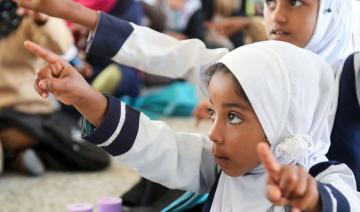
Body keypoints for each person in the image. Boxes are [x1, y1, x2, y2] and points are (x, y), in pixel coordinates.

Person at [13, 0, 360, 188]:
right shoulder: (255, 69)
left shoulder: (352, 74)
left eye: (297, 2)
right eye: (270, 2)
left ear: (334, 10)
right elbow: (174, 55)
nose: (278, 15)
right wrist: (73, 13)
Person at [25, 39, 360, 211]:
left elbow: (344, 203)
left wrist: (311, 198)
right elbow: (156, 144)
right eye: (213, 113)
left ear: (284, 119)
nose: (213, 134)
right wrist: (85, 97)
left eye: (233, 116)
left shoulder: (328, 178)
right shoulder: (217, 166)